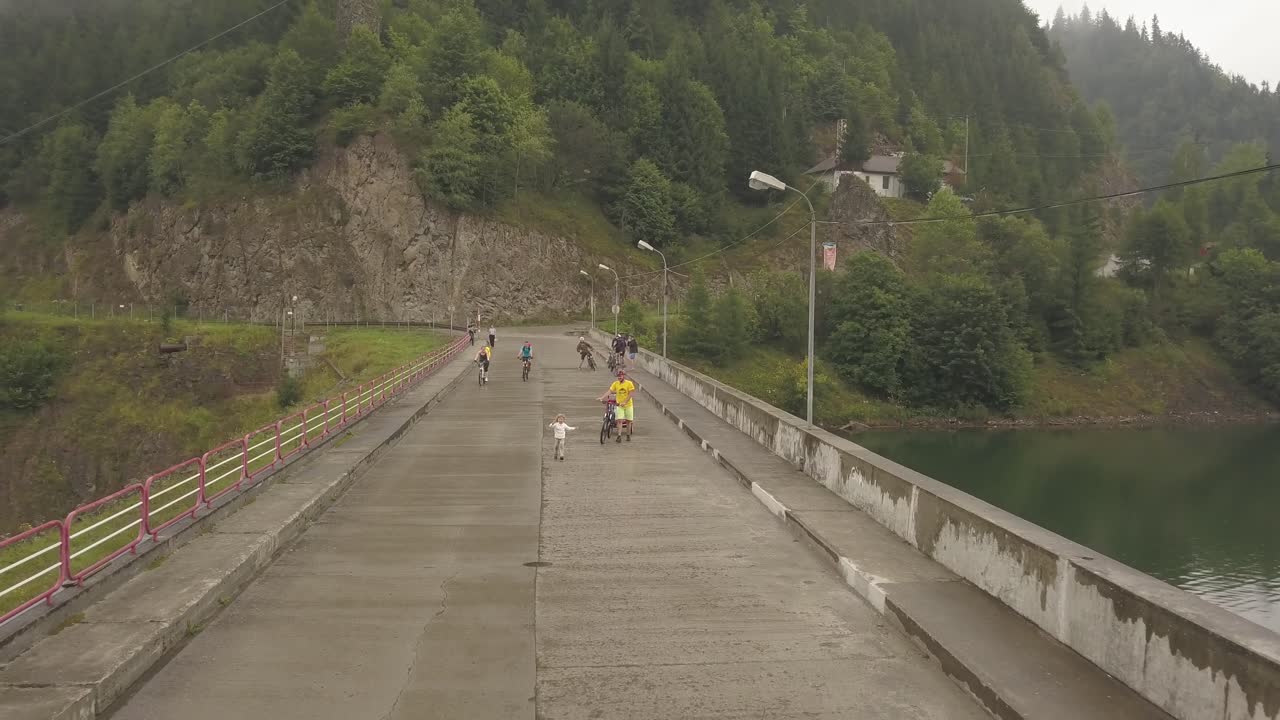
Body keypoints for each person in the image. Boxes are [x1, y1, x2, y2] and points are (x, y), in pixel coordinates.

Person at [598, 369, 637, 443]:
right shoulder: (616, 384)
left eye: (620, 376)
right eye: (618, 376)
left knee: (629, 421)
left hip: (628, 405)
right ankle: (619, 436)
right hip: (619, 405)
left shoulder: (629, 383)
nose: (619, 377)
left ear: (624, 376)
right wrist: (602, 397)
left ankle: (628, 435)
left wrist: (625, 402)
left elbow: (631, 394)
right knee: (619, 420)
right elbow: (610, 391)